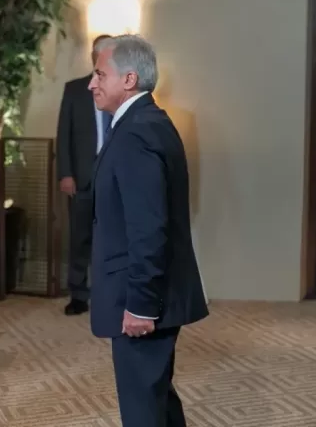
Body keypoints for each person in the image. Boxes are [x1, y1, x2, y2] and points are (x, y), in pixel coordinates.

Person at [87, 34, 209, 427]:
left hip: (142, 300)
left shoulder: (137, 132)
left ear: (129, 79)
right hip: (150, 294)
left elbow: (148, 227)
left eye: (100, 74)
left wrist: (140, 304)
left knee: (143, 411)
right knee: (156, 401)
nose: (91, 84)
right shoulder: (145, 122)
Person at [56, 33, 112, 316]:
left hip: (115, 176)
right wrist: (65, 174)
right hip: (82, 177)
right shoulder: (75, 89)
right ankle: (78, 294)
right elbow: (63, 134)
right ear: (93, 57)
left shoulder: (123, 88)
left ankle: (110, 293)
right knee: (80, 237)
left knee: (113, 237)